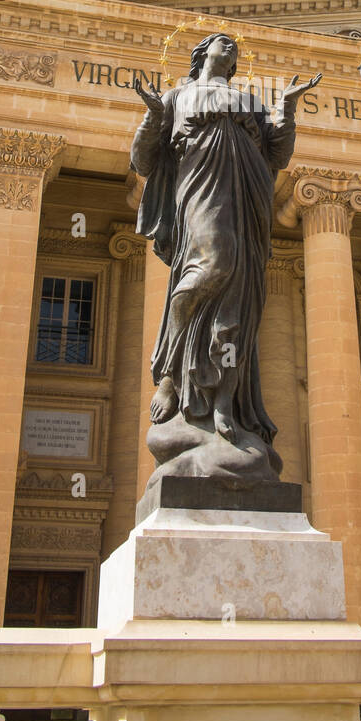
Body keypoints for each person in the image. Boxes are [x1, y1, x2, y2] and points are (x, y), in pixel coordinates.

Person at [132, 33, 319, 468]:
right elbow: (143, 162)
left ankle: (225, 403)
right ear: (202, 54)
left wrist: (286, 108)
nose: (229, 48)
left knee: (240, 302)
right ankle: (170, 376)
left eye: (234, 46)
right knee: (209, 269)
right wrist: (152, 115)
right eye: (221, 43)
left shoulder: (250, 102)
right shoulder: (178, 96)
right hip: (200, 194)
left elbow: (277, 156)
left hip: (246, 201)